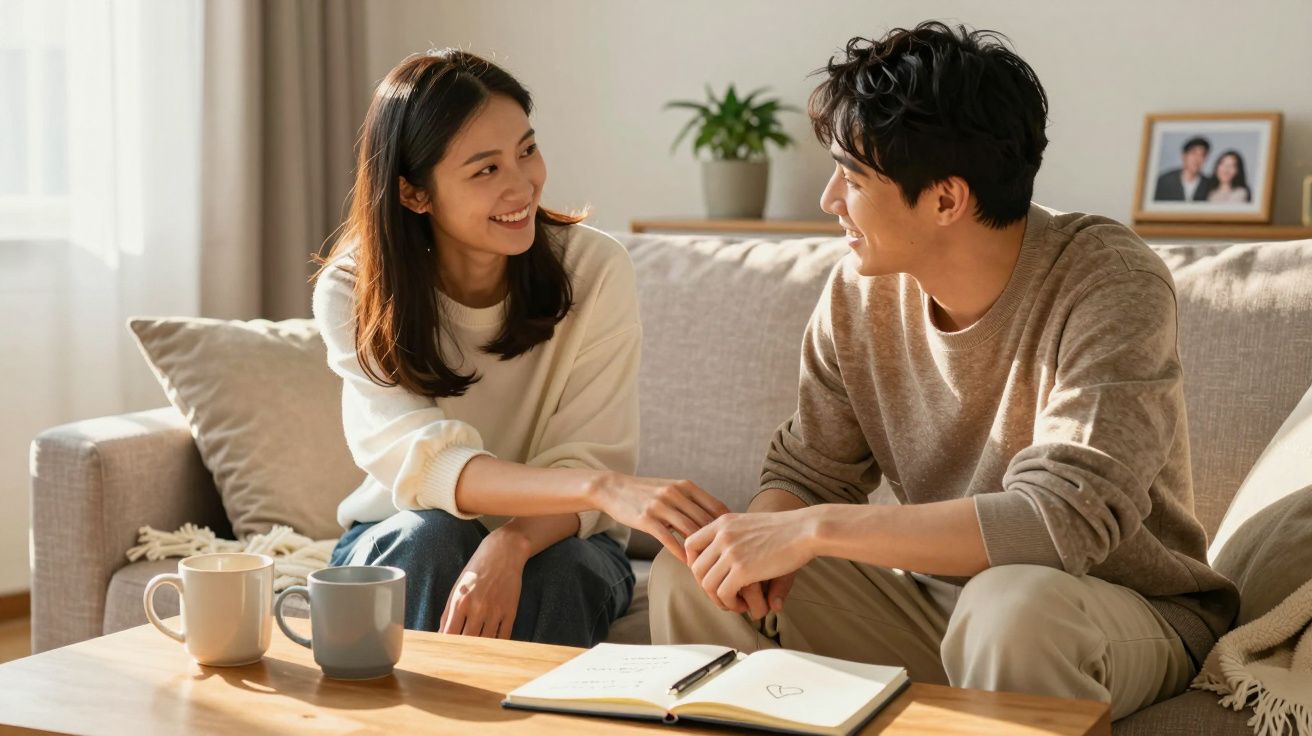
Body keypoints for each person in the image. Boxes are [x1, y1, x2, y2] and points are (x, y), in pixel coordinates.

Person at [648, 22, 1238, 720]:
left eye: (853, 176)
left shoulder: (1110, 280)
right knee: (694, 573)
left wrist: (812, 532)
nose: (829, 200)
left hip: (1108, 609)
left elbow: (1058, 525)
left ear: (946, 199)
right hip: (934, 603)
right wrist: (760, 547)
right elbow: (809, 472)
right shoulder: (858, 290)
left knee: (1010, 606)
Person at [313, 49, 729, 647]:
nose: (522, 185)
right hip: (401, 535)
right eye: (485, 169)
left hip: (566, 540)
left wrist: (510, 539)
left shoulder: (594, 270)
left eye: (527, 151)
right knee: (431, 538)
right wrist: (601, 487)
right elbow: (428, 467)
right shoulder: (356, 288)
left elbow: (588, 451)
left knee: (562, 572)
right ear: (413, 194)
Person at [1154, 136, 1213, 202]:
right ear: (1184, 156)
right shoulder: (1163, 181)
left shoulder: (1210, 185)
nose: (1197, 159)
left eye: (1202, 155)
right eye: (1193, 153)